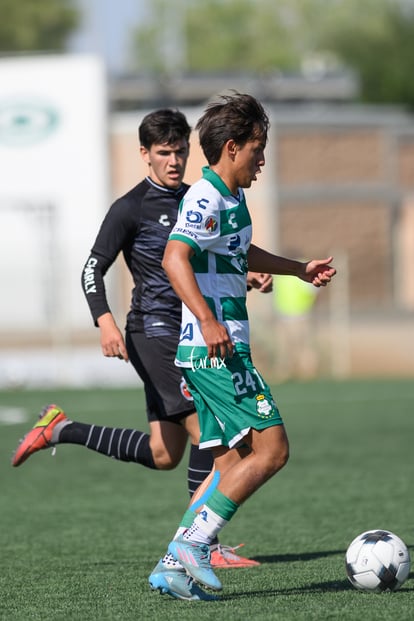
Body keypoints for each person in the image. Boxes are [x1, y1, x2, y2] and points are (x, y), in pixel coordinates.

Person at [11, 108, 272, 599]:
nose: (174, 161)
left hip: (194, 328)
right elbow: (92, 268)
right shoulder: (129, 208)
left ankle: (60, 428)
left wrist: (245, 274)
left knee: (164, 453)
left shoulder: (201, 197)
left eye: (180, 152)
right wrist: (104, 320)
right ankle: (197, 546)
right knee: (215, 440)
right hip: (155, 333)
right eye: (164, 153)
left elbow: (212, 252)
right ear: (144, 155)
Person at [151, 92, 336, 600]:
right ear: (232, 148)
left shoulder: (230, 199)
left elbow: (236, 248)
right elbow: (174, 259)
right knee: (272, 449)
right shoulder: (206, 196)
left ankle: (172, 564)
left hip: (217, 350)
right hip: (216, 350)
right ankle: (194, 543)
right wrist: (208, 320)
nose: (262, 159)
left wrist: (296, 268)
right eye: (258, 148)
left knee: (231, 464)